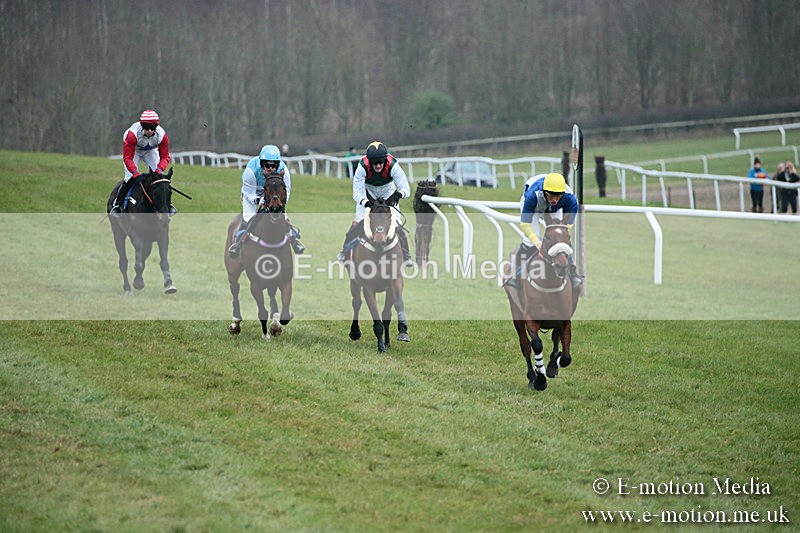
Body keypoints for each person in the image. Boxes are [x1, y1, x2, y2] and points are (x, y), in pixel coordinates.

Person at [336, 141, 412, 264]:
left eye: (380, 162)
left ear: (385, 160)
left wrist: (399, 194)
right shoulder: (362, 166)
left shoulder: (393, 164)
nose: (377, 166)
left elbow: (405, 188)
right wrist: (365, 202)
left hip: (388, 190)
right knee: (359, 221)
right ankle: (345, 251)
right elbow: (357, 192)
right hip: (368, 191)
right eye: (374, 163)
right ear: (369, 161)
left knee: (396, 223)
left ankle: (406, 255)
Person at [505, 172, 582, 290]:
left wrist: (559, 236)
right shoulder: (532, 196)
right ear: (545, 192)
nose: (555, 200)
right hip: (534, 206)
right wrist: (537, 242)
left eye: (558, 196)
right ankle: (516, 275)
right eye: (551, 196)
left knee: (560, 241)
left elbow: (568, 226)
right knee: (529, 242)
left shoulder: (570, 200)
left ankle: (573, 274)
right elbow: (525, 224)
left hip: (554, 210)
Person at [227, 144, 305, 258]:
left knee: (283, 216)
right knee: (249, 217)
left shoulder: (284, 171)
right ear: (261, 163)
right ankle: (237, 244)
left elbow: (286, 192)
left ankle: (294, 240)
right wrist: (259, 200)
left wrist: (277, 203)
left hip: (274, 195)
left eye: (274, 165)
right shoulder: (251, 170)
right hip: (253, 193)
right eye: (267, 165)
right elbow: (248, 193)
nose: (270, 168)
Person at [110, 110, 172, 217]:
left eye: (152, 128)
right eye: (146, 128)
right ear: (142, 126)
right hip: (134, 151)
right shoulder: (132, 135)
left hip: (150, 151)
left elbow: (165, 157)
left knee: (159, 178)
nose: (149, 131)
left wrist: (159, 169)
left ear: (156, 127)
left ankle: (167, 206)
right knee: (129, 177)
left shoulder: (162, 136)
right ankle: (118, 205)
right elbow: (128, 158)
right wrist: (135, 173)